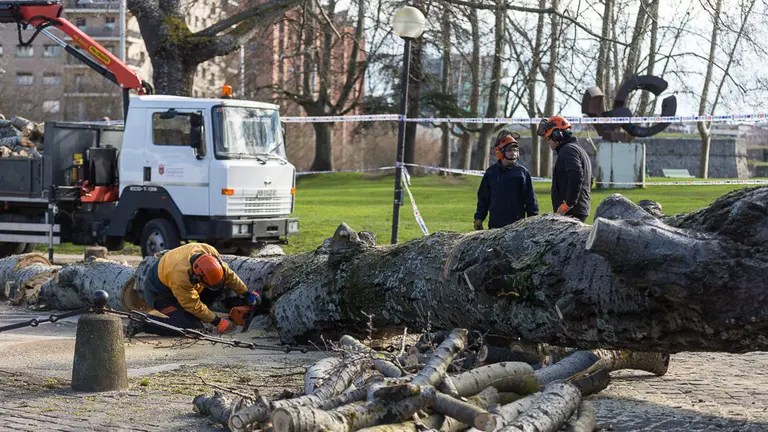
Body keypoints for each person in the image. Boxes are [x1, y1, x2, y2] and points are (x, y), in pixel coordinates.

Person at [125, 243, 259, 337]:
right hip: (159, 292)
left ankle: (199, 315)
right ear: (196, 277)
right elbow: (193, 305)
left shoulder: (209, 252)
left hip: (175, 276)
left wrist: (246, 293)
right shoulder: (180, 277)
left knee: (217, 290)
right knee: (191, 327)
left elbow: (228, 275)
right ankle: (142, 323)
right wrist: (217, 322)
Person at [474, 130, 540, 230]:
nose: (513, 153)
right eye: (509, 150)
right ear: (500, 152)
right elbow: (483, 198)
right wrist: (479, 218)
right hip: (495, 225)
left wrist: (534, 219)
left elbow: (531, 200)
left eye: (515, 150)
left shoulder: (522, 173)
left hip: (517, 226)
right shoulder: (491, 173)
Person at [536, 115, 592, 222]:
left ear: (557, 136)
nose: (547, 142)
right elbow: (590, 179)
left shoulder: (568, 150)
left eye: (548, 138)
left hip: (571, 211)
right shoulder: (578, 149)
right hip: (579, 209)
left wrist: (568, 203)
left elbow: (576, 174)